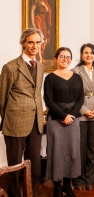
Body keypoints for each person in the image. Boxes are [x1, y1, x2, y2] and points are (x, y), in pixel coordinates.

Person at [0, 28, 45, 197]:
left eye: (37, 42)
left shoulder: (40, 66)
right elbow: (2, 98)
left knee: (35, 164)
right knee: (14, 165)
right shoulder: (10, 67)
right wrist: (10, 117)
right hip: (15, 122)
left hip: (36, 122)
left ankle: (30, 193)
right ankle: (13, 194)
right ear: (23, 44)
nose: (34, 46)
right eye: (31, 42)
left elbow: (36, 93)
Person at [44, 47, 84, 197]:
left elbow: (81, 98)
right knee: (57, 152)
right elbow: (48, 100)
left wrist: (71, 115)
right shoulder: (50, 78)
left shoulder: (77, 77)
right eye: (62, 56)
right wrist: (63, 116)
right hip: (56, 120)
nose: (65, 59)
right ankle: (57, 186)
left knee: (72, 152)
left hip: (73, 120)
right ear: (56, 58)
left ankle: (67, 185)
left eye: (68, 57)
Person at [71, 43, 94, 191]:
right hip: (81, 113)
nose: (89, 55)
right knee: (80, 148)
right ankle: (78, 180)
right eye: (86, 53)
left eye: (92, 53)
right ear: (81, 55)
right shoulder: (75, 71)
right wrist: (83, 110)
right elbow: (72, 95)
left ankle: (90, 179)